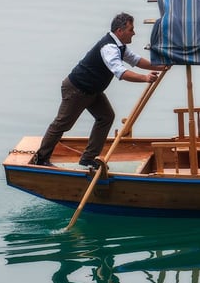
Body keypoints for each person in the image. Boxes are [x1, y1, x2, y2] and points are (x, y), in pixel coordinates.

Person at [34, 12, 166, 168]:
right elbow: (121, 72)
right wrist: (144, 78)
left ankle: (88, 158)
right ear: (120, 31)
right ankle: (41, 158)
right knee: (62, 124)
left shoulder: (120, 46)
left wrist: (160, 66)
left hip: (93, 91)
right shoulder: (109, 47)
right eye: (131, 29)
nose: (134, 33)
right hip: (77, 89)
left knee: (106, 117)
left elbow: (136, 61)